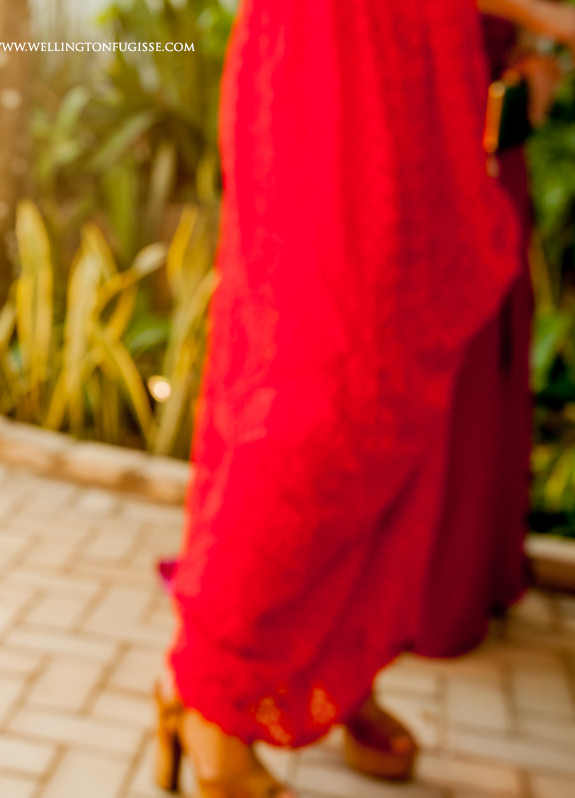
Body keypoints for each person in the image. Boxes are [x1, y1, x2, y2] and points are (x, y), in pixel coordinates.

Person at [154, 1, 538, 796]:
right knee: (313, 396)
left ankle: (335, 663)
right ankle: (213, 699)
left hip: (416, 57)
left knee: (401, 385)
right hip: (333, 52)